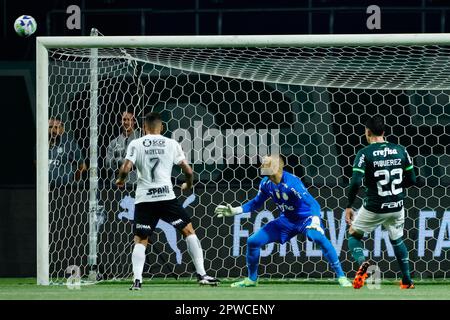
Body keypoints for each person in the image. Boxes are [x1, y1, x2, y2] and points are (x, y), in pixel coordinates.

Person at [116, 112, 220, 290]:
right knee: (188, 230)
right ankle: (202, 274)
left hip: (145, 198)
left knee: (141, 239)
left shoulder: (136, 143)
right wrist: (188, 183)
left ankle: (137, 281)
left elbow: (126, 167)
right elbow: (188, 170)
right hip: (166, 197)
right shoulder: (171, 143)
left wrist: (121, 180)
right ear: (161, 127)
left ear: (143, 128)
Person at [215, 154, 352, 288]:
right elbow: (256, 203)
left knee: (318, 237)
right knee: (253, 241)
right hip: (286, 220)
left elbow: (314, 204)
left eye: (265, 163)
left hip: (306, 219)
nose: (261, 165)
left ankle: (341, 276)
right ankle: (251, 279)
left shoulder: (292, 183)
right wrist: (236, 210)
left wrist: (315, 221)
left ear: (275, 167)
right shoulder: (266, 183)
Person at [345, 115, 417, 289]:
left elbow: (355, 182)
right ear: (384, 132)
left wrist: (349, 205)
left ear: (367, 132)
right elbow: (413, 180)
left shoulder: (365, 153)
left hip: (375, 206)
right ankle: (407, 281)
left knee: (353, 235)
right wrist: (397, 188)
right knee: (397, 239)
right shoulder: (400, 149)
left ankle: (363, 263)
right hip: (397, 206)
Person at [48, 117, 87, 186]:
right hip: (45, 189)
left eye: (56, 127)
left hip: (66, 189)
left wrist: (74, 181)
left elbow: (82, 167)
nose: (53, 130)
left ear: (62, 129)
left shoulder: (69, 144)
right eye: (50, 127)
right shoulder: (40, 145)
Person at [106, 110, 141, 187]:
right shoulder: (113, 142)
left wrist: (119, 161)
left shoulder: (141, 139)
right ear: (120, 121)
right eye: (124, 119)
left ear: (134, 121)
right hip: (115, 185)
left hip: (135, 184)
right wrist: (119, 162)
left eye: (129, 120)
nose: (126, 122)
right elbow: (108, 164)